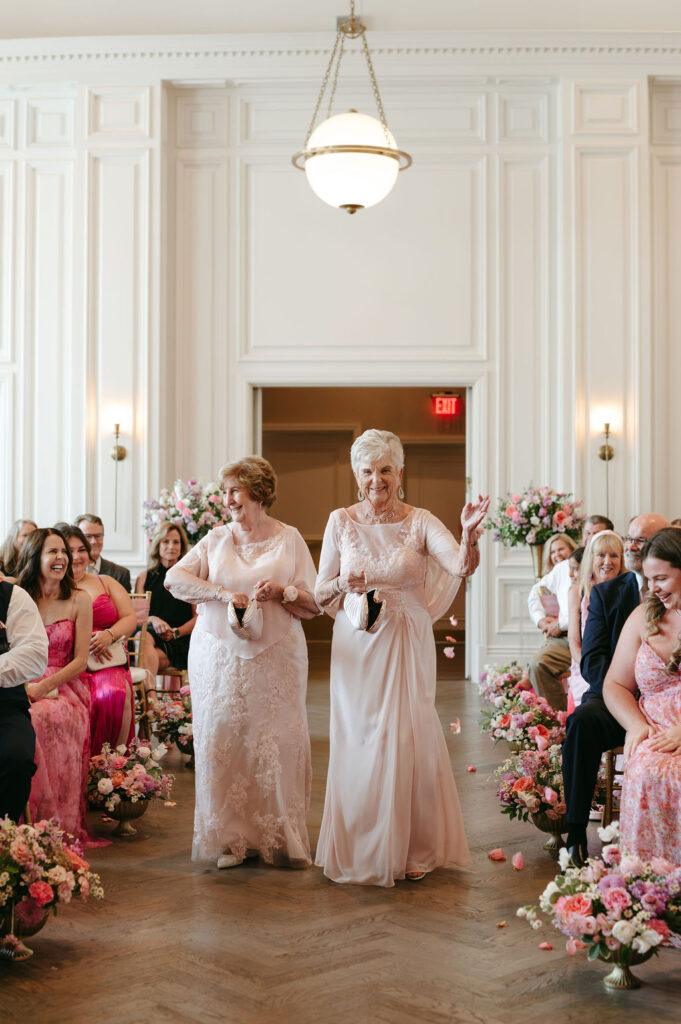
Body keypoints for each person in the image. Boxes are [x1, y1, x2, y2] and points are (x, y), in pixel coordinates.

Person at [314, 429, 488, 887]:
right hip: (358, 640)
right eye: (368, 471)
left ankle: (414, 845)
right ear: (356, 474)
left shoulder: (421, 520)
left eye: (386, 469)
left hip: (407, 641)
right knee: (360, 737)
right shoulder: (340, 521)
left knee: (406, 733)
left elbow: (460, 566)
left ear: (400, 472)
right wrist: (343, 584)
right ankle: (361, 845)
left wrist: (469, 535)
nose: (377, 479)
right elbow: (318, 593)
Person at [165, 456, 319, 869]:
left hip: (278, 656)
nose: (227, 498)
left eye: (235, 490)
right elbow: (174, 579)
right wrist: (220, 593)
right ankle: (231, 840)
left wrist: (284, 591)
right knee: (223, 739)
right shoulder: (215, 539)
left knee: (276, 743)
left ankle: (278, 837)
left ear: (258, 492)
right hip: (219, 656)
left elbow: (314, 603)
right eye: (226, 490)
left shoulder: (290, 539)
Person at [561, 513, 670, 865]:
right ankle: (576, 833)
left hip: (667, 701)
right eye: (631, 538)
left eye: (643, 540)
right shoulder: (609, 592)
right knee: (581, 723)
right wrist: (628, 696)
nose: (633, 546)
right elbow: (593, 662)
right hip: (613, 694)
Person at [604, 528, 681, 860]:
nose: (653, 589)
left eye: (661, 578)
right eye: (649, 580)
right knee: (649, 768)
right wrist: (635, 725)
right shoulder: (643, 616)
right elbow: (615, 685)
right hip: (655, 730)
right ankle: (648, 880)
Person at [16, 528, 93, 843]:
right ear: (36, 558)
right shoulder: (20, 597)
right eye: (53, 552)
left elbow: (80, 661)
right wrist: (23, 686)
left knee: (40, 718)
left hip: (65, 686)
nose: (63, 557)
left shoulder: (79, 600)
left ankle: (49, 828)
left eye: (64, 551)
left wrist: (41, 687)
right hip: (20, 680)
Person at [57, 524, 136, 753]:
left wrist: (108, 635)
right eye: (69, 550)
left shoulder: (105, 582)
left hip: (107, 659)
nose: (76, 556)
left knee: (112, 694)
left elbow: (129, 617)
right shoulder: (53, 588)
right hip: (71, 663)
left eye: (81, 549)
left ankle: (112, 768)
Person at [528, 514, 613, 711]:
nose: (591, 538)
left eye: (597, 533)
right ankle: (557, 721)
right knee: (538, 664)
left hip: (599, 641)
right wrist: (542, 621)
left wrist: (559, 625)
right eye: (587, 533)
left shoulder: (609, 567)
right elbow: (536, 592)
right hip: (566, 639)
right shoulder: (563, 567)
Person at [0, 578, 48, 821]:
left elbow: (35, 654)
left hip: (4, 705)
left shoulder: (13, 597)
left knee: (16, 756)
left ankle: (4, 837)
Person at [135, 522, 197, 696]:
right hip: (151, 636)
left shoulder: (190, 577)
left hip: (179, 640)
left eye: (176, 542)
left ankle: (150, 700)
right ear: (157, 545)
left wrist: (176, 632)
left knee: (144, 656)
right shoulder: (144, 577)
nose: (171, 546)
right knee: (142, 636)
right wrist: (153, 619)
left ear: (182, 546)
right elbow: (138, 618)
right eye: (165, 541)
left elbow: (198, 617)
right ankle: (153, 697)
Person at [567, 535, 624, 711]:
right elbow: (575, 643)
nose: (607, 562)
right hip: (586, 667)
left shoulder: (627, 591)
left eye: (614, 555)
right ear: (591, 558)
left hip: (621, 669)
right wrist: (595, 673)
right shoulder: (578, 592)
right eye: (601, 555)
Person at [74, 514, 131, 592]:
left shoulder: (120, 574)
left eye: (98, 536)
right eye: (88, 536)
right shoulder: (67, 571)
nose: (94, 541)